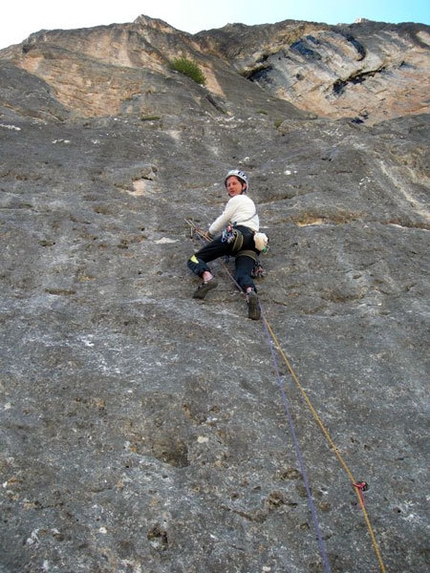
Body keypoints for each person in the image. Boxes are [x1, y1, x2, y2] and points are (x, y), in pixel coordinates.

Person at [187, 169, 261, 320]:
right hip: (253, 243)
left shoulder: (237, 200)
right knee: (242, 274)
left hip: (237, 236)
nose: (231, 187)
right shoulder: (252, 209)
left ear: (244, 185)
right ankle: (249, 292)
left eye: (234, 183)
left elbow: (224, 217)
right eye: (228, 185)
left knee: (194, 259)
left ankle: (208, 278)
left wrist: (209, 232)